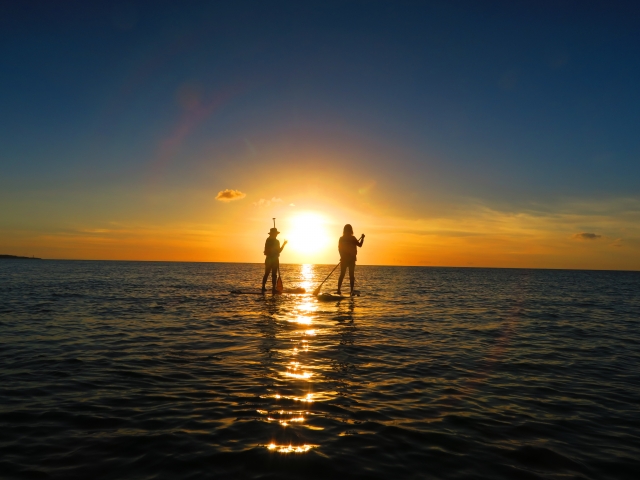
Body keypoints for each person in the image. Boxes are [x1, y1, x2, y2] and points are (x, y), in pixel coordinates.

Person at [337, 224, 364, 295]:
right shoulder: (351, 238)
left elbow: (339, 249)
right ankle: (349, 291)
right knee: (349, 275)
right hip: (348, 259)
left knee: (344, 275)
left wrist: (342, 256)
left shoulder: (344, 238)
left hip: (348, 259)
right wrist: (363, 238)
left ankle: (340, 290)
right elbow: (360, 245)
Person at [262, 227, 287, 292]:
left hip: (274, 259)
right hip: (271, 259)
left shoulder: (276, 241)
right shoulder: (269, 240)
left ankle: (273, 288)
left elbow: (279, 251)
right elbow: (269, 250)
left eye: (276, 234)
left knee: (273, 274)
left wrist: (284, 244)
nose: (276, 235)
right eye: (275, 234)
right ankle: (264, 287)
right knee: (267, 273)